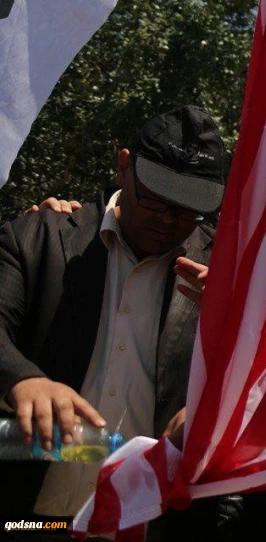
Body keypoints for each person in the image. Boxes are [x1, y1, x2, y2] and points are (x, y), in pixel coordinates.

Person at [0, 106, 230, 540]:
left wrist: (237, 322)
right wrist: (21, 378)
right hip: (30, 519)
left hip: (147, 525)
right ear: (124, 166)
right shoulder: (40, 237)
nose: (168, 220)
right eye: (156, 201)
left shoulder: (229, 271)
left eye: (187, 212)